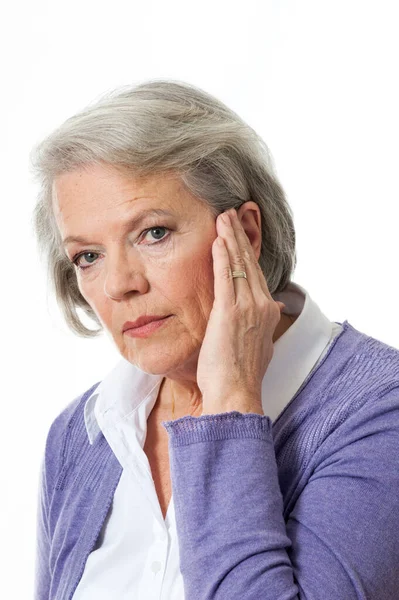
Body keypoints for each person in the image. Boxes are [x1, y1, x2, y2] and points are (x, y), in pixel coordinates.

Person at [31, 79, 399, 600]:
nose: (119, 285)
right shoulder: (82, 432)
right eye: (88, 256)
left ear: (246, 235)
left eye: (153, 232)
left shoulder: (379, 413)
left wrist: (229, 404)